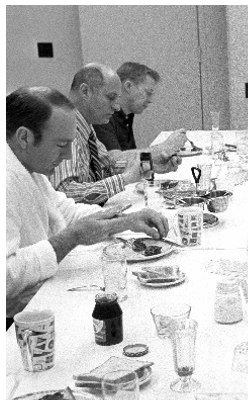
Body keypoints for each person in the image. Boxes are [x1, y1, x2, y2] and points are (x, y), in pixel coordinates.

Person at [7, 87, 171, 317]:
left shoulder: (28, 167)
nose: (66, 156)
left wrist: (126, 221)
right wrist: (71, 238)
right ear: (24, 137)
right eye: (61, 145)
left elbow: (69, 214)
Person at [52, 63, 184, 206]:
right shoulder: (66, 128)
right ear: (85, 91)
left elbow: (107, 166)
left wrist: (146, 165)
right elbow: (65, 194)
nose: (116, 106)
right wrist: (125, 179)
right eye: (111, 97)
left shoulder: (86, 126)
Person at [93, 62, 187, 155]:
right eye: (148, 93)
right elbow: (116, 163)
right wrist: (163, 149)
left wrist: (156, 161)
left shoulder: (127, 114)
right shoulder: (102, 115)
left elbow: (129, 158)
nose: (150, 100)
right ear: (128, 86)